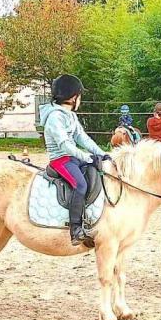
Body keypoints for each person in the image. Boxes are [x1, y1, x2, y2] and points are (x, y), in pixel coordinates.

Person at [39, 74, 109, 246]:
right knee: (81, 185)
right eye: (80, 95)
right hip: (60, 160)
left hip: (73, 158)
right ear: (73, 96)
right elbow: (65, 146)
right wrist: (87, 157)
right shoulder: (55, 116)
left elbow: (82, 138)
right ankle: (76, 229)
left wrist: (102, 153)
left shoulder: (70, 115)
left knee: (95, 172)